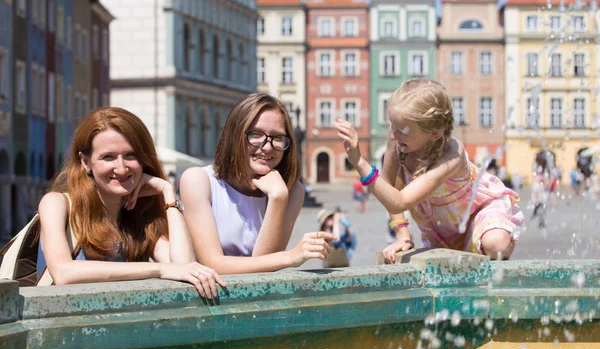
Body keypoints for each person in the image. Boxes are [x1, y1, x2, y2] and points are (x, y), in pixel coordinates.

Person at [37, 107, 225, 298]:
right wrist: (158, 270)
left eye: (130, 155)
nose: (121, 168)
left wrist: (168, 193)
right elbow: (63, 272)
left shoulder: (141, 217)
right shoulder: (57, 204)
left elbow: (184, 266)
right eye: (108, 157)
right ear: (85, 162)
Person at [336, 78, 524, 262]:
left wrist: (360, 162)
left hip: (478, 214)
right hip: (440, 229)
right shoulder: (398, 136)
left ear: (434, 133)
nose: (393, 134)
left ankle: (503, 236)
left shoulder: (452, 156)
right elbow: (388, 186)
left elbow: (399, 201)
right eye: (392, 125)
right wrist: (402, 235)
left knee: (495, 244)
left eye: (402, 129)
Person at [180, 93, 334, 274]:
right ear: (234, 135)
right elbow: (213, 264)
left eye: (277, 137)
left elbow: (263, 273)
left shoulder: (291, 192)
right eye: (256, 134)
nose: (267, 147)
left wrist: (278, 197)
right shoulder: (199, 181)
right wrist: (290, 257)